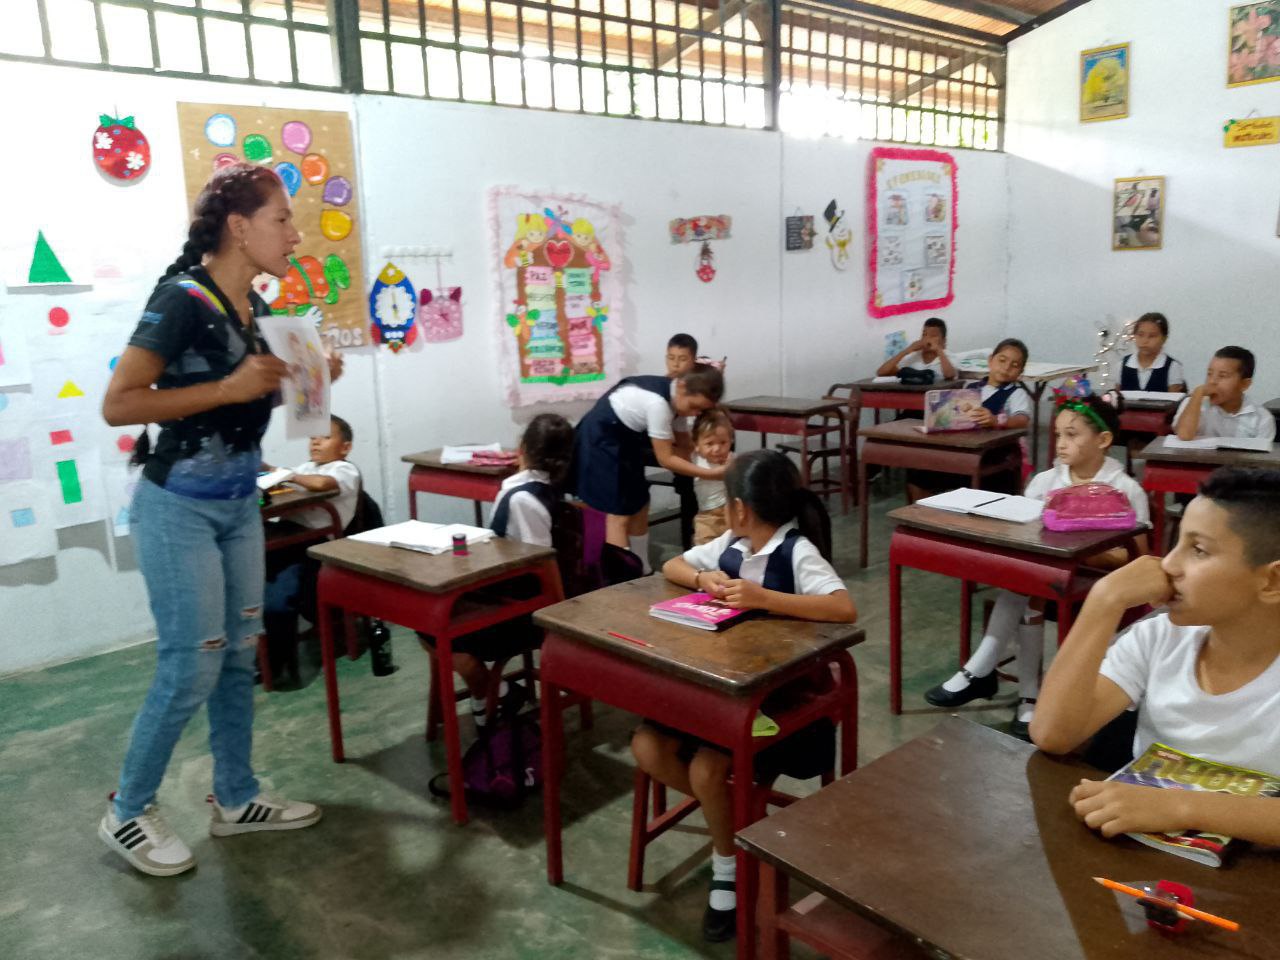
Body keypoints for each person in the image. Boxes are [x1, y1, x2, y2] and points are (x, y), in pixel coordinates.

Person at [98, 162, 341, 877]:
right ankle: (128, 809)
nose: (294, 237)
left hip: (240, 506)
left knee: (240, 654)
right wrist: (227, 386)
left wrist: (315, 375)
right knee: (191, 663)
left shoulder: (257, 314)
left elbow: (270, 400)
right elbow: (120, 404)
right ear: (239, 227)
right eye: (282, 220)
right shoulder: (180, 300)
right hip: (178, 510)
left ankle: (236, 797)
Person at [630, 450, 857, 942]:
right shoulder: (730, 543)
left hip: (778, 698)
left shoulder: (795, 551)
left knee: (707, 770)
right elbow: (672, 564)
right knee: (647, 747)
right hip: (720, 685)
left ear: (738, 507)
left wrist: (764, 599)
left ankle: (727, 865)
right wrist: (700, 578)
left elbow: (843, 608)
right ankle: (737, 819)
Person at [1032, 468, 1280, 848]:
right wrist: (1103, 603)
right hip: (1148, 873)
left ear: (1272, 581)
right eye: (1176, 543)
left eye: (1198, 550)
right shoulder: (1159, 638)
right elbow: (1053, 734)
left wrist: (1180, 805)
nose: (1168, 565)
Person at [924, 395, 1149, 738]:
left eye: (1072, 435)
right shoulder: (1046, 482)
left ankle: (989, 674)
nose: (1061, 444)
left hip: (1098, 585)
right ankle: (1026, 696)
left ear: (1103, 440)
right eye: (1058, 434)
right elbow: (1025, 535)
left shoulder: (1125, 489)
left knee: (1029, 586)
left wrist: (1074, 547)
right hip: (1048, 578)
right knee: (1026, 583)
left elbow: (1134, 558)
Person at [420, 413, 575, 728]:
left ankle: (490, 691)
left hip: (528, 612)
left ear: (521, 448)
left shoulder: (523, 499)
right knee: (435, 620)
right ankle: (495, 693)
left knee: (435, 629)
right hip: (523, 598)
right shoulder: (544, 488)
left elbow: (539, 566)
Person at [572, 365, 725, 570]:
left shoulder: (677, 402)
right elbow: (666, 459)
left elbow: (685, 446)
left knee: (640, 503)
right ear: (681, 387)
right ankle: (621, 577)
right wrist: (710, 473)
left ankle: (642, 567)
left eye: (701, 410)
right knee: (618, 514)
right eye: (694, 406)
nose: (695, 413)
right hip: (600, 443)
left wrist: (709, 457)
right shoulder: (658, 404)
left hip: (626, 443)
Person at [261, 415, 361, 687]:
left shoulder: (344, 470)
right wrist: (267, 472)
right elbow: (283, 486)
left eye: (325, 437)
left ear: (345, 447)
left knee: (277, 600)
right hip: (286, 540)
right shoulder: (307, 467)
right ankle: (259, 654)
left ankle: (276, 663)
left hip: (313, 547)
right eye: (312, 437)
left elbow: (321, 485)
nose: (316, 442)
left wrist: (285, 474)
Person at [906, 338, 1033, 502]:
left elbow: (1022, 420)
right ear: (990, 361)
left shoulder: (1016, 394)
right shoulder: (971, 388)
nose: (1007, 367)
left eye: (1014, 365)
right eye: (1002, 360)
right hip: (965, 453)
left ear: (1020, 373)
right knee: (917, 475)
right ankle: (924, 522)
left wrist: (997, 420)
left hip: (995, 459)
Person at [1173, 346, 1275, 443]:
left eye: (1222, 376)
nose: (1212, 381)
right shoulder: (1193, 404)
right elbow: (1184, 436)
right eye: (1209, 374)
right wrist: (1197, 393)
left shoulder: (1262, 418)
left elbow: (1260, 459)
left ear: (1244, 384)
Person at [665, 333, 701, 548]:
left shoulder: (700, 384)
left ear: (694, 360)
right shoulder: (664, 386)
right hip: (673, 449)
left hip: (693, 445)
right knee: (688, 488)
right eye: (671, 357)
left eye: (682, 358)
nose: (675, 364)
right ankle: (689, 544)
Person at [690, 407, 734, 545]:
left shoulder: (733, 459)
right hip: (706, 515)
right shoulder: (695, 459)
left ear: (730, 441)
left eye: (723, 442)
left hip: (730, 512)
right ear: (697, 445)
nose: (717, 449)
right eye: (709, 444)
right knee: (703, 545)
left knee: (733, 546)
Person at [1119, 312, 1185, 392]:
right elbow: (1116, 401)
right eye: (1140, 335)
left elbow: (1174, 402)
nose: (1145, 341)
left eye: (1152, 336)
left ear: (1164, 339)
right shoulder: (1122, 365)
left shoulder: (1173, 367)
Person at [876, 317, 957, 381]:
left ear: (943, 341)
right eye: (924, 334)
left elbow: (949, 375)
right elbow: (881, 372)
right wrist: (907, 350)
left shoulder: (949, 356)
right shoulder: (912, 357)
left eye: (933, 335)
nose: (927, 338)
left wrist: (939, 350)